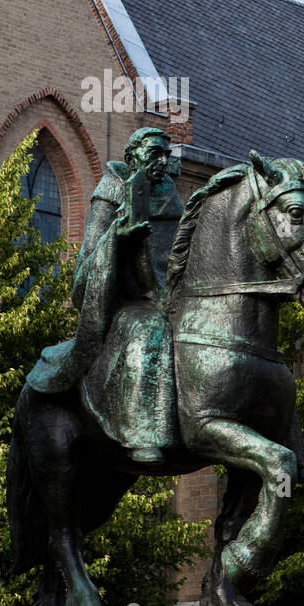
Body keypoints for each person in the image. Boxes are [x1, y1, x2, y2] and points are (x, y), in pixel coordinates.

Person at [26, 127, 182, 462]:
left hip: (170, 293)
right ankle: (144, 433)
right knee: (148, 331)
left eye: (166, 155)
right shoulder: (112, 189)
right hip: (127, 301)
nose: (162, 162)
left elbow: (179, 249)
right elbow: (87, 259)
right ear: (131, 158)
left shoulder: (169, 192)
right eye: (154, 153)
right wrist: (119, 236)